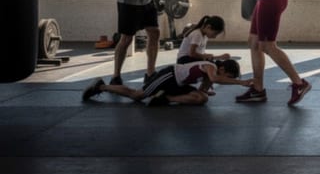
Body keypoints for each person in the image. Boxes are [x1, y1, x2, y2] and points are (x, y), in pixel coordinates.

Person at [82, 59, 252, 106]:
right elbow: (215, 79)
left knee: (202, 98)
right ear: (222, 69)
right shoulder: (211, 67)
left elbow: (203, 89)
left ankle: (165, 98)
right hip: (169, 76)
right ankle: (101, 86)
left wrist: (206, 91)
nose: (227, 79)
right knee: (138, 95)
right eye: (228, 76)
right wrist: (241, 83)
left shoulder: (211, 73)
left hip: (177, 85)